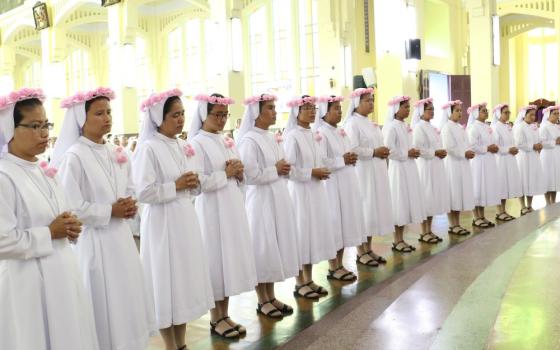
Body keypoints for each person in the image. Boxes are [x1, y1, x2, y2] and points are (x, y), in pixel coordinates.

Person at [51, 87, 156, 350]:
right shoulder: (73, 157)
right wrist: (110, 211)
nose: (107, 117)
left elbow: (130, 188)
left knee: (126, 300)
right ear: (81, 119)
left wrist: (130, 205)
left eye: (109, 112)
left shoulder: (116, 151)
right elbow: (71, 207)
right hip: (95, 244)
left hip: (121, 239)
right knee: (103, 306)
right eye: (99, 113)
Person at [0, 88, 99, 350]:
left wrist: (70, 227)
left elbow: (62, 217)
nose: (44, 133)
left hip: (62, 273)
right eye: (34, 126)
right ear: (9, 129)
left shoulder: (45, 172)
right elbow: (2, 242)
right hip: (27, 283)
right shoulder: (3, 176)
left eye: (46, 125)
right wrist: (50, 232)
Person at [133, 89, 214, 350]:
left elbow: (192, 183)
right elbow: (143, 192)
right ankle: (171, 345)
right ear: (159, 117)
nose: (180, 120)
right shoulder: (149, 148)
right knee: (166, 281)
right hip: (162, 223)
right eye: (174, 115)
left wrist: (193, 182)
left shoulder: (182, 145)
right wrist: (176, 185)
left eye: (182, 114)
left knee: (182, 281)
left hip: (184, 219)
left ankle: (182, 342)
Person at [188, 93, 258, 339]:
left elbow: (237, 174)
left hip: (230, 207)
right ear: (203, 115)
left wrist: (239, 174)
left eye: (224, 115)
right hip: (211, 210)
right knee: (215, 261)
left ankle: (225, 313)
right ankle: (215, 318)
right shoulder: (196, 143)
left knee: (228, 260)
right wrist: (226, 173)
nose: (221, 119)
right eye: (216, 115)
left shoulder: (226, 140)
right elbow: (196, 183)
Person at [237, 93, 301, 318]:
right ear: (257, 112)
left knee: (274, 246)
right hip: (260, 200)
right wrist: (276, 169)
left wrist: (281, 168)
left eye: (275, 108)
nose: (275, 112)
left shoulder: (271, 136)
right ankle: (261, 299)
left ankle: (271, 295)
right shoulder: (249, 140)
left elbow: (283, 164)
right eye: (270, 108)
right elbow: (250, 175)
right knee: (263, 247)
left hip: (277, 195)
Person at [283, 95, 337, 299]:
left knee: (312, 235)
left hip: (315, 191)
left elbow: (319, 160)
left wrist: (322, 169)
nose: (313, 111)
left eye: (314, 108)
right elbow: (289, 170)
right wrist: (311, 173)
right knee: (301, 235)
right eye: (307, 108)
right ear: (297, 112)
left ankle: (309, 278)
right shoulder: (292, 136)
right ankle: (299, 282)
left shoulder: (312, 134)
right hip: (300, 193)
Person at [314, 95, 363, 278]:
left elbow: (347, 152)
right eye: (335, 108)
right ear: (325, 112)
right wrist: (342, 160)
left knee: (344, 223)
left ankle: (340, 263)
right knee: (334, 222)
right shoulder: (321, 133)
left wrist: (350, 158)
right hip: (332, 184)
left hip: (346, 182)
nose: (339, 111)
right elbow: (322, 160)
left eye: (340, 108)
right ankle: (333, 266)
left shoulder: (339, 131)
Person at [344, 88, 390, 264]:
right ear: (357, 103)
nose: (371, 103)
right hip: (362, 172)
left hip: (375, 171)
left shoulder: (370, 123)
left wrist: (382, 150)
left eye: (372, 100)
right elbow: (353, 148)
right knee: (363, 209)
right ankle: (360, 251)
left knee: (372, 210)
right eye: (367, 100)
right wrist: (374, 151)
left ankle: (368, 248)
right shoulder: (352, 124)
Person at [383, 96, 427, 251]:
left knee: (407, 202)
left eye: (409, 107)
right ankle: (397, 240)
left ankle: (401, 238)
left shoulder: (404, 126)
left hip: (409, 167)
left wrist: (413, 152)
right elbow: (388, 150)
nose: (408, 110)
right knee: (399, 202)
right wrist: (406, 153)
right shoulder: (391, 126)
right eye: (405, 107)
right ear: (396, 109)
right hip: (398, 169)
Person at [411, 97, 449, 242]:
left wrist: (440, 151)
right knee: (426, 197)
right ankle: (424, 231)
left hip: (435, 165)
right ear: (421, 111)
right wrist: (435, 153)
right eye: (429, 109)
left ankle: (429, 230)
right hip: (425, 166)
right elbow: (419, 149)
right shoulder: (419, 127)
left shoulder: (432, 127)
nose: (432, 112)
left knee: (432, 197)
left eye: (433, 109)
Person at [439, 100, 474, 235]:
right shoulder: (447, 127)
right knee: (453, 193)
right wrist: (463, 153)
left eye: (460, 110)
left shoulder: (460, 127)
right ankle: (452, 224)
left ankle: (457, 223)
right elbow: (449, 147)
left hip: (462, 163)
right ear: (449, 112)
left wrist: (468, 151)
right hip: (452, 164)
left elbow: (466, 143)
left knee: (459, 193)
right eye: (457, 111)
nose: (460, 113)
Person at [466, 102, 500, 228]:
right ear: (476, 113)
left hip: (487, 161)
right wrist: (487, 148)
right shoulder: (473, 127)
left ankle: (482, 216)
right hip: (478, 161)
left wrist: (494, 147)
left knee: (484, 187)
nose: (486, 112)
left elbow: (491, 142)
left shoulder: (486, 126)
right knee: (477, 187)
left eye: (487, 110)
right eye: (483, 111)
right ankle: (476, 217)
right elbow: (472, 145)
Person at [491, 104, 520, 221]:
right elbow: (496, 146)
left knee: (506, 184)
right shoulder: (495, 127)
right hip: (501, 160)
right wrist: (508, 149)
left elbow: (512, 141)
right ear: (499, 114)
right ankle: (499, 211)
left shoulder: (508, 126)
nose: (508, 114)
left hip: (509, 159)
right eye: (505, 112)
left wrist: (514, 148)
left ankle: (504, 210)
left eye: (509, 112)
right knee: (501, 184)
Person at [513, 105, 545, 215]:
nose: (533, 117)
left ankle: (529, 205)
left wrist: (540, 145)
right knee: (523, 180)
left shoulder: (534, 127)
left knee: (531, 180)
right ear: (524, 115)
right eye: (530, 115)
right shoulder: (519, 127)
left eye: (534, 115)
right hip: (523, 157)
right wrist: (532, 146)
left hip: (533, 157)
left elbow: (539, 139)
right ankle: (522, 206)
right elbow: (519, 144)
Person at [539, 105, 560, 205]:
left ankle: (553, 201)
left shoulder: (557, 126)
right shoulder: (544, 126)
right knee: (548, 178)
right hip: (547, 156)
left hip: (556, 155)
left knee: (555, 178)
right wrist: (554, 142)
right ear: (548, 115)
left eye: (558, 114)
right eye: (554, 114)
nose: (557, 116)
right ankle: (548, 202)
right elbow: (541, 142)